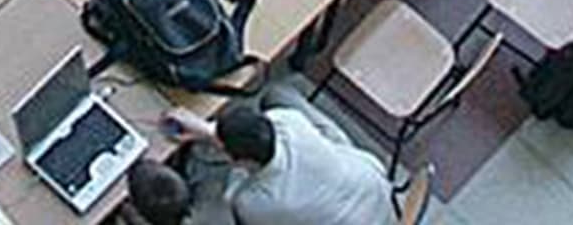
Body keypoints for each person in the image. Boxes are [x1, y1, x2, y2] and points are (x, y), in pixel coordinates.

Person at [156, 96, 398, 225]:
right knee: (279, 95)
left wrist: (209, 133)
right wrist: (209, 131)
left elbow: (234, 191)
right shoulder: (288, 121)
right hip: (372, 190)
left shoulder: (253, 202)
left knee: (210, 191)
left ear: (237, 160)